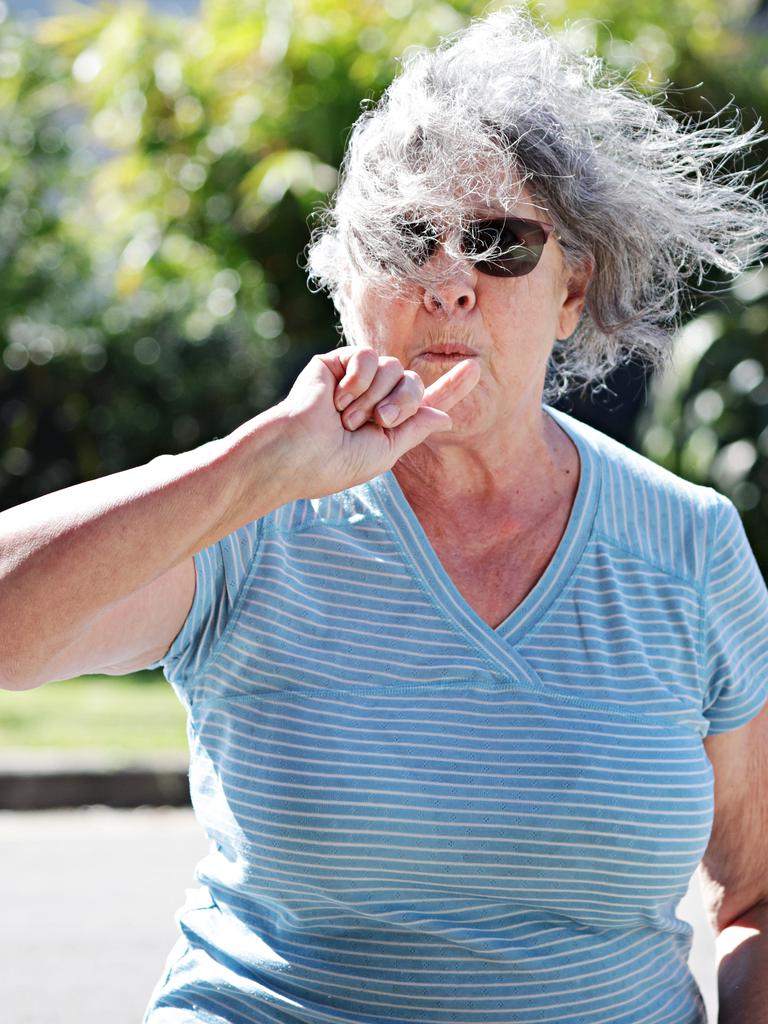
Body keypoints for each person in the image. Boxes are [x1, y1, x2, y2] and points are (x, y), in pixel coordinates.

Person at [2, 8, 768, 1023]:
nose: (449, 281)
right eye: (409, 240)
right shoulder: (250, 514)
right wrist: (257, 465)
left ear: (572, 287)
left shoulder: (689, 542)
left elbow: (754, 892)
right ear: (350, 283)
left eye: (500, 242)